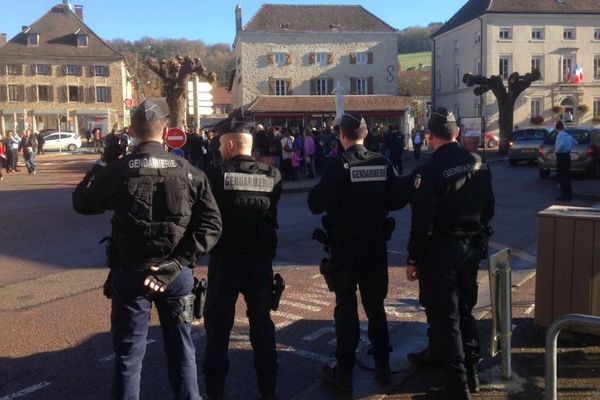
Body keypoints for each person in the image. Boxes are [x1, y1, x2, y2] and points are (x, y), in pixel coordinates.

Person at [72, 99, 222, 400]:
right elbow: (212, 225)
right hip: (175, 274)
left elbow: (82, 203)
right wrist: (179, 261)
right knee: (182, 350)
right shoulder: (189, 171)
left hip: (131, 273)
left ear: (131, 131)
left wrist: (103, 162)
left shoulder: (118, 170)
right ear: (165, 131)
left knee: (129, 356)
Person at [307, 113, 410, 393]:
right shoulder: (382, 162)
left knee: (347, 310)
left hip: (346, 249)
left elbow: (315, 204)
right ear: (365, 134)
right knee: (376, 309)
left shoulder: (338, 165)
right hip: (375, 247)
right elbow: (398, 199)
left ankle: (345, 372)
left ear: (342, 135)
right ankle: (383, 370)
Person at [405, 108, 494, 400]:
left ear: (429, 137)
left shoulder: (428, 172)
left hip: (441, 252)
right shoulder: (480, 163)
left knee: (447, 318)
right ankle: (473, 373)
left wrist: (413, 258)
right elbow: (489, 208)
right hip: (472, 247)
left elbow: (423, 224)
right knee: (465, 310)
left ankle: (459, 387)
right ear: (457, 133)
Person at [203, 119, 282, 400]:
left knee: (218, 329)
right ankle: (268, 390)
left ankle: (215, 391)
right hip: (260, 263)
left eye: (221, 144)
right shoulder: (273, 175)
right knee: (262, 325)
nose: (220, 149)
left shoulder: (214, 175)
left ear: (231, 144)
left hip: (226, 263)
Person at [554, 120, 578, 201]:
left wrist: (556, 151)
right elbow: (576, 142)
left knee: (562, 175)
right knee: (567, 175)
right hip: (567, 155)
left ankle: (564, 194)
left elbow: (561, 144)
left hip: (561, 156)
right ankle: (569, 193)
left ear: (556, 128)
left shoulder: (560, 135)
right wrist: (569, 148)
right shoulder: (568, 135)